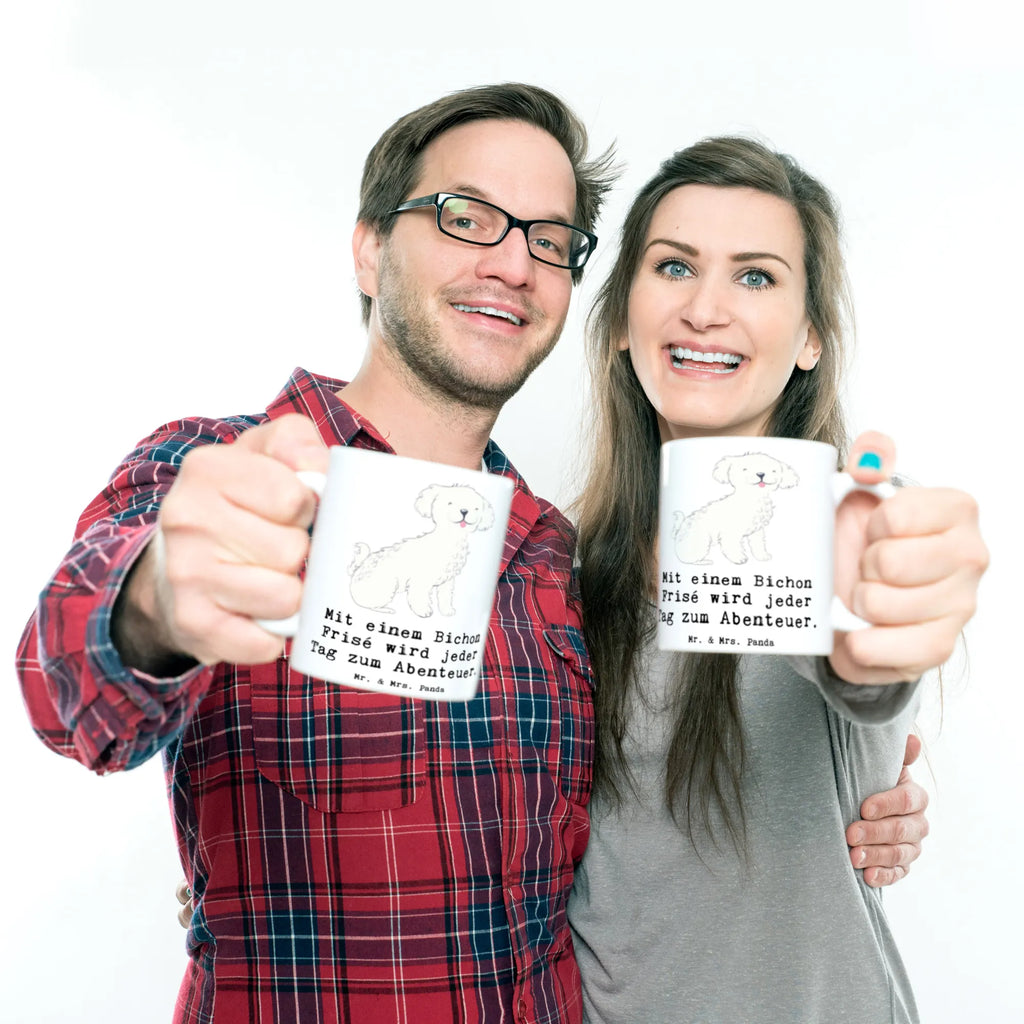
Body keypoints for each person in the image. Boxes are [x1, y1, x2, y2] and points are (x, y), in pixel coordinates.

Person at [18, 83, 932, 1024]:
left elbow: (790, 722)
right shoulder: (220, 473)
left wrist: (871, 772)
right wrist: (158, 603)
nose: (510, 263)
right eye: (467, 218)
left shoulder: (550, 558)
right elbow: (65, 687)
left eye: (546, 239)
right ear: (372, 247)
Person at [568, 136, 989, 1023]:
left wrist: (883, 625)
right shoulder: (562, 572)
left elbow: (862, 664)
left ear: (809, 340)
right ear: (617, 321)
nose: (707, 309)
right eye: (674, 266)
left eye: (755, 277)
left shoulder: (846, 526)